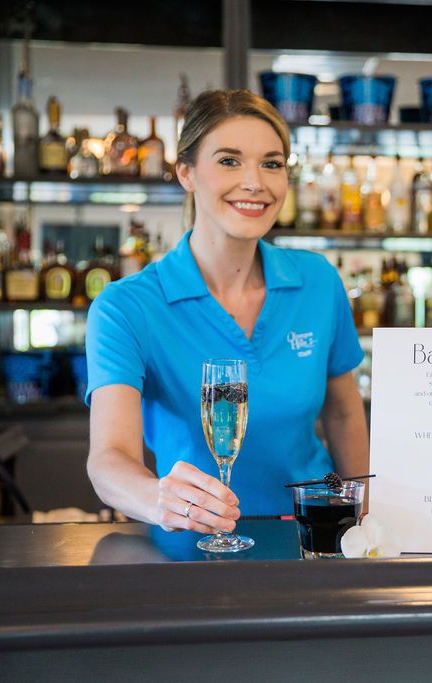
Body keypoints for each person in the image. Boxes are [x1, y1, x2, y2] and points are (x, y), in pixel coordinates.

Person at [85, 90, 368, 534]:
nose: (255, 182)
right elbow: (109, 460)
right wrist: (161, 500)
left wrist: (364, 520)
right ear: (186, 173)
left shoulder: (317, 281)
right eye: (229, 161)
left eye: (272, 164)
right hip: (193, 556)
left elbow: (344, 414)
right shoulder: (126, 307)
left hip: (316, 547)